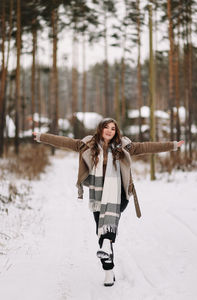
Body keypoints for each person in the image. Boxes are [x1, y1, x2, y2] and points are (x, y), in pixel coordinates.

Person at [33, 118, 184, 287]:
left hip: (119, 193)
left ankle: (106, 244)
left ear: (116, 131)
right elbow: (64, 141)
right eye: (106, 127)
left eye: (113, 128)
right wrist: (41, 136)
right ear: (100, 129)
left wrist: (172, 145)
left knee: (107, 228)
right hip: (98, 195)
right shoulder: (87, 144)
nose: (110, 131)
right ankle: (109, 272)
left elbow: (147, 146)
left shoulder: (124, 146)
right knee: (102, 232)